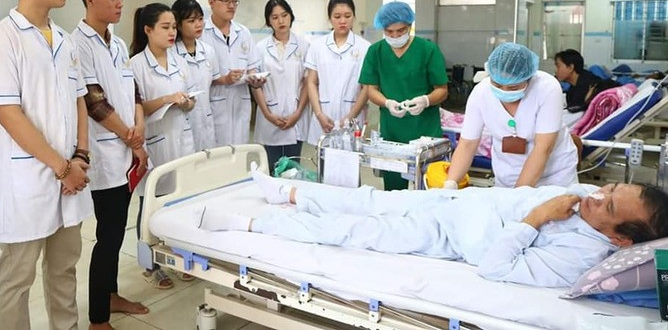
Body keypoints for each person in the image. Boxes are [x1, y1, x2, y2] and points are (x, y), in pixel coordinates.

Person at [199, 172, 668, 288]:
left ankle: (251, 222)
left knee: (353, 230)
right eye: (610, 186)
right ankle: (287, 192)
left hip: (448, 238)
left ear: (620, 240)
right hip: (458, 201)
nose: (597, 194)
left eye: (609, 203)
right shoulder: (585, 196)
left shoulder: (576, 259)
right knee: (369, 198)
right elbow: (582, 192)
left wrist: (537, 218)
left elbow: (495, 267)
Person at [0, 0, 92, 330]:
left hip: (70, 177)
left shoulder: (65, 41)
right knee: (17, 277)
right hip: (30, 181)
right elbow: (10, 115)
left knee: (64, 269)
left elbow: (79, 101)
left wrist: (81, 156)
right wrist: (62, 168)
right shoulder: (1, 40)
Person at [73, 0, 150, 329]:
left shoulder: (117, 45)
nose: (120, 4)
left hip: (125, 149)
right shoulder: (78, 44)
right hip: (104, 154)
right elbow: (93, 101)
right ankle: (97, 318)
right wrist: (129, 136)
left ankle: (111, 294)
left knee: (117, 232)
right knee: (108, 236)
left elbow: (133, 91)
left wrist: (138, 131)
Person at [445, 43, 578, 189]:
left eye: (513, 87)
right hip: (507, 174)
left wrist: (517, 196)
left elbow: (543, 148)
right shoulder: (481, 93)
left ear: (528, 78)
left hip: (554, 176)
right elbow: (467, 144)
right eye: (497, 85)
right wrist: (451, 183)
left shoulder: (546, 88)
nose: (504, 91)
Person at [130, 3, 196, 289]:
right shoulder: (136, 65)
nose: (172, 33)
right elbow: (137, 107)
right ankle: (150, 265)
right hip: (155, 142)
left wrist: (187, 102)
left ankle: (178, 256)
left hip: (182, 137)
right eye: (166, 27)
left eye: (174, 27)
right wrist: (168, 99)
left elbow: (191, 100)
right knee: (150, 206)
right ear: (148, 30)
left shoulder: (179, 60)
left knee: (180, 202)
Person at [359, 2, 448, 190]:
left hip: (425, 131)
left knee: (428, 189)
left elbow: (442, 89)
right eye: (389, 32)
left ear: (409, 26)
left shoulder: (427, 50)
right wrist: (387, 102)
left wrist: (425, 100)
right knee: (393, 191)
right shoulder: (376, 52)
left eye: (400, 31)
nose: (395, 36)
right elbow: (370, 89)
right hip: (392, 133)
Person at [200, 0, 262, 145]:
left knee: (240, 153)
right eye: (226, 0)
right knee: (217, 154)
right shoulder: (202, 34)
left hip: (241, 105)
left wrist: (255, 79)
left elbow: (252, 66)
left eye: (235, 1)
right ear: (211, 2)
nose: (231, 6)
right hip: (214, 106)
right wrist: (224, 80)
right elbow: (197, 78)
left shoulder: (243, 32)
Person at [252, 0, 311, 170]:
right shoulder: (260, 48)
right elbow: (256, 85)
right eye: (275, 17)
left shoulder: (304, 46)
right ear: (268, 21)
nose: (281, 21)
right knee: (273, 168)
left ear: (291, 16)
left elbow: (308, 82)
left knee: (293, 169)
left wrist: (298, 113)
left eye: (284, 15)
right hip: (270, 115)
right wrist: (267, 114)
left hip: (296, 115)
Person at [305, 0, 371, 145]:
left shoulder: (365, 47)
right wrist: (319, 114)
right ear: (329, 18)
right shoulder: (317, 46)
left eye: (347, 16)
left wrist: (350, 117)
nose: (342, 21)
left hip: (353, 116)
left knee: (351, 156)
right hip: (323, 116)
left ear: (354, 17)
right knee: (322, 156)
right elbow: (311, 82)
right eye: (337, 16)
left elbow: (366, 87)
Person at [172, 0, 220, 150]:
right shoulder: (171, 53)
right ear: (178, 24)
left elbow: (211, 85)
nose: (198, 24)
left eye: (200, 19)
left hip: (206, 119)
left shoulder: (208, 51)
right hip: (182, 120)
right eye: (191, 21)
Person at [555, 49, 619, 113]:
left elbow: (574, 114)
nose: (556, 71)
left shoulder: (586, 86)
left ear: (570, 68)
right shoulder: (573, 88)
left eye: (558, 66)